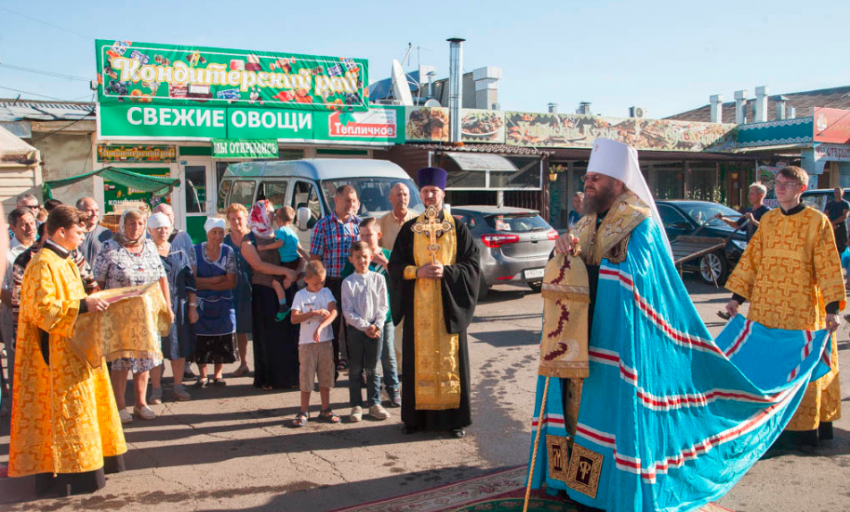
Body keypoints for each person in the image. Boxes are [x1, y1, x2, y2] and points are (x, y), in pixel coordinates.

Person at [529, 140, 840, 511]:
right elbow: (568, 266)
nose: (589, 183)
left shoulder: (638, 222)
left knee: (607, 414)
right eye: (588, 177)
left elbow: (643, 280)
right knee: (576, 408)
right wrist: (561, 249)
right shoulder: (585, 221)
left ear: (618, 181)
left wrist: (835, 306)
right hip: (581, 336)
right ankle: (571, 480)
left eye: (596, 178)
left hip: (620, 341)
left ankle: (604, 488)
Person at [8, 205, 126, 496]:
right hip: (57, 358)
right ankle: (65, 476)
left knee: (82, 412)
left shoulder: (66, 259)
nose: (83, 235)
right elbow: (41, 309)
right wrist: (84, 305)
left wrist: (93, 299)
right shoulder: (42, 263)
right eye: (78, 231)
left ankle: (88, 469)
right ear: (61, 232)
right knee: (65, 415)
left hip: (76, 348)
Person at [726, 166, 845, 448]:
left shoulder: (817, 221)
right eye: (778, 183)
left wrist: (832, 309)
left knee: (799, 362)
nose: (780, 188)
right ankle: (766, 425)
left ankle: (802, 431)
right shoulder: (768, 221)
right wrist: (736, 298)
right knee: (767, 364)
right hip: (766, 307)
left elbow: (829, 265)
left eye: (787, 184)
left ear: (801, 188)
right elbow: (752, 261)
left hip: (801, 307)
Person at [388, 167, 481, 438]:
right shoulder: (410, 228)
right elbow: (395, 266)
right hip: (419, 310)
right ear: (421, 193)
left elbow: (473, 266)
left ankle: (454, 420)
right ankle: (415, 420)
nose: (430, 195)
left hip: (448, 308)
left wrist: (448, 271)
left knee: (450, 361)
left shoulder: (457, 227)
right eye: (425, 191)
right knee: (417, 362)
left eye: (434, 191)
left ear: (443, 193)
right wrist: (416, 272)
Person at [93, 209, 171, 423]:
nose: (135, 228)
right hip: (118, 316)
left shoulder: (149, 247)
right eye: (130, 223)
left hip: (146, 313)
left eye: (139, 223)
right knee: (121, 361)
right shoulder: (109, 247)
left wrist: (168, 307)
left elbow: (161, 278)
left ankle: (141, 403)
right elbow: (97, 281)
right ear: (122, 224)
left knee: (144, 360)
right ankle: (120, 407)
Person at [342, 218, 400, 408]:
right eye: (362, 235)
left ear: (379, 235)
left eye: (369, 234)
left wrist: (386, 264)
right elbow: (347, 281)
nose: (366, 238)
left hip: (385, 317)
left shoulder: (389, 255)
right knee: (366, 361)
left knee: (388, 355)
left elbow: (400, 282)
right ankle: (366, 398)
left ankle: (393, 389)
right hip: (362, 320)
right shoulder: (358, 256)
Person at [242, 200, 300, 390]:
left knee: (288, 337)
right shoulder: (249, 239)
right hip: (265, 293)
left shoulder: (281, 234)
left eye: (274, 212)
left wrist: (292, 276)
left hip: (286, 288)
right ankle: (269, 379)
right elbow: (258, 265)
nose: (273, 216)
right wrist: (284, 273)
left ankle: (290, 378)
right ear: (258, 214)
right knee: (269, 338)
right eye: (268, 212)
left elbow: (296, 256)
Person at [147, 213, 197, 402]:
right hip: (154, 309)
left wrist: (192, 307)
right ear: (150, 230)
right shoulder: (146, 252)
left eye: (165, 227)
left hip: (179, 307)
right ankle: (156, 389)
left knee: (179, 346)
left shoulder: (179, 252)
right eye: (158, 228)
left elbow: (189, 280)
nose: (162, 231)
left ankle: (178, 386)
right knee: (156, 348)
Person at [311, 185, 361, 372]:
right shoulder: (323, 225)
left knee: (354, 326)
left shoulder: (360, 225)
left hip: (355, 283)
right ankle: (329, 369)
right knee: (330, 325)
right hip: (332, 281)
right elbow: (315, 258)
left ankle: (356, 368)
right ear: (336, 200)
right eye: (347, 200)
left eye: (354, 200)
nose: (351, 204)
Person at [343, 241, 391, 422]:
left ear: (371, 257)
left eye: (365, 257)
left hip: (376, 330)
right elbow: (347, 311)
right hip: (356, 331)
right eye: (357, 258)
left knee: (372, 368)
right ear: (351, 260)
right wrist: (365, 326)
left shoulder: (378, 279)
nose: (362, 261)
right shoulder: (348, 282)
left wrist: (377, 325)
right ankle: (356, 405)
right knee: (355, 368)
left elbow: (383, 306)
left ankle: (374, 403)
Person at [290, 260, 340, 426]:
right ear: (306, 279)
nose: (320, 285)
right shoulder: (300, 296)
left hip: (325, 341)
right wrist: (312, 313)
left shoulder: (326, 292)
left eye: (323, 282)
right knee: (306, 377)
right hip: (306, 343)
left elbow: (333, 312)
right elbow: (294, 318)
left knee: (326, 376)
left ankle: (325, 409)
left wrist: (321, 327)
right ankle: (303, 411)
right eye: (317, 283)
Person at [190, 217, 238, 387]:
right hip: (201, 304)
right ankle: (203, 375)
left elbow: (231, 282)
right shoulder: (194, 251)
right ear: (207, 233)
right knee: (200, 338)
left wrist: (205, 282)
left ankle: (218, 374)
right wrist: (217, 279)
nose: (218, 236)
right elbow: (192, 281)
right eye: (214, 232)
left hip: (222, 304)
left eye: (221, 232)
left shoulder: (228, 252)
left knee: (222, 338)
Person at [378, 182, 417, 371]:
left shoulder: (418, 221)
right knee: (393, 322)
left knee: (410, 324)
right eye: (398, 195)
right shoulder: (382, 223)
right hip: (390, 280)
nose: (402, 198)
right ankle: (397, 368)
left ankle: (408, 365)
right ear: (390, 198)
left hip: (414, 279)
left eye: (405, 194)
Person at [0, 207, 37, 404]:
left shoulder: (42, 249)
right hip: (15, 318)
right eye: (24, 224)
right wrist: (20, 311)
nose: (30, 228)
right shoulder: (7, 255)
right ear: (13, 227)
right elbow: (3, 289)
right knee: (18, 364)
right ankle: (20, 407)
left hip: (39, 318)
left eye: (32, 222)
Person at [259, 206, 309, 321]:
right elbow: (300, 249)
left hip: (288, 262)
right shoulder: (292, 232)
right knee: (285, 282)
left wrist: (264, 247)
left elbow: (279, 244)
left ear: (279, 220)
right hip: (295, 261)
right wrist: (309, 261)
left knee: (276, 282)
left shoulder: (281, 231)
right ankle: (301, 274)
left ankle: (283, 306)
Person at [223, 203, 253, 377]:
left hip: (252, 286)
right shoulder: (225, 241)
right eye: (233, 219)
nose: (236, 222)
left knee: (253, 326)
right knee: (237, 327)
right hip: (231, 287)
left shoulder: (253, 237)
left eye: (239, 218)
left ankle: (261, 364)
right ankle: (243, 363)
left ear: (246, 218)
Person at [76, 197, 113, 265]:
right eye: (89, 210)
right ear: (79, 212)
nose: (94, 214)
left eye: (96, 210)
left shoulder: (106, 234)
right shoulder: (72, 234)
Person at [823, 186, 850, 254]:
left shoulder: (845, 204)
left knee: (842, 246)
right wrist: (830, 224)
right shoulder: (830, 204)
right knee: (831, 244)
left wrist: (833, 223)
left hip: (841, 227)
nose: (837, 194)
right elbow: (825, 215)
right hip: (831, 227)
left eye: (838, 192)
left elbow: (844, 216)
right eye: (835, 192)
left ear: (842, 193)